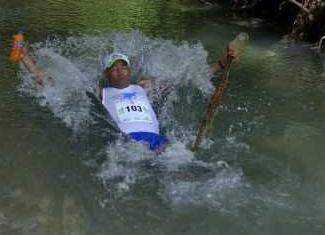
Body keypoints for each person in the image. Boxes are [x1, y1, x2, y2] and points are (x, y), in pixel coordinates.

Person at [12, 39, 239, 151]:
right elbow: (53, 83)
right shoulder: (101, 92)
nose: (119, 70)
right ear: (106, 73)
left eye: (123, 66)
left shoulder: (145, 87)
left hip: (157, 141)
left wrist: (221, 63)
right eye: (114, 67)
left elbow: (188, 77)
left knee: (182, 162)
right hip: (128, 143)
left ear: (130, 70)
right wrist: (24, 58)